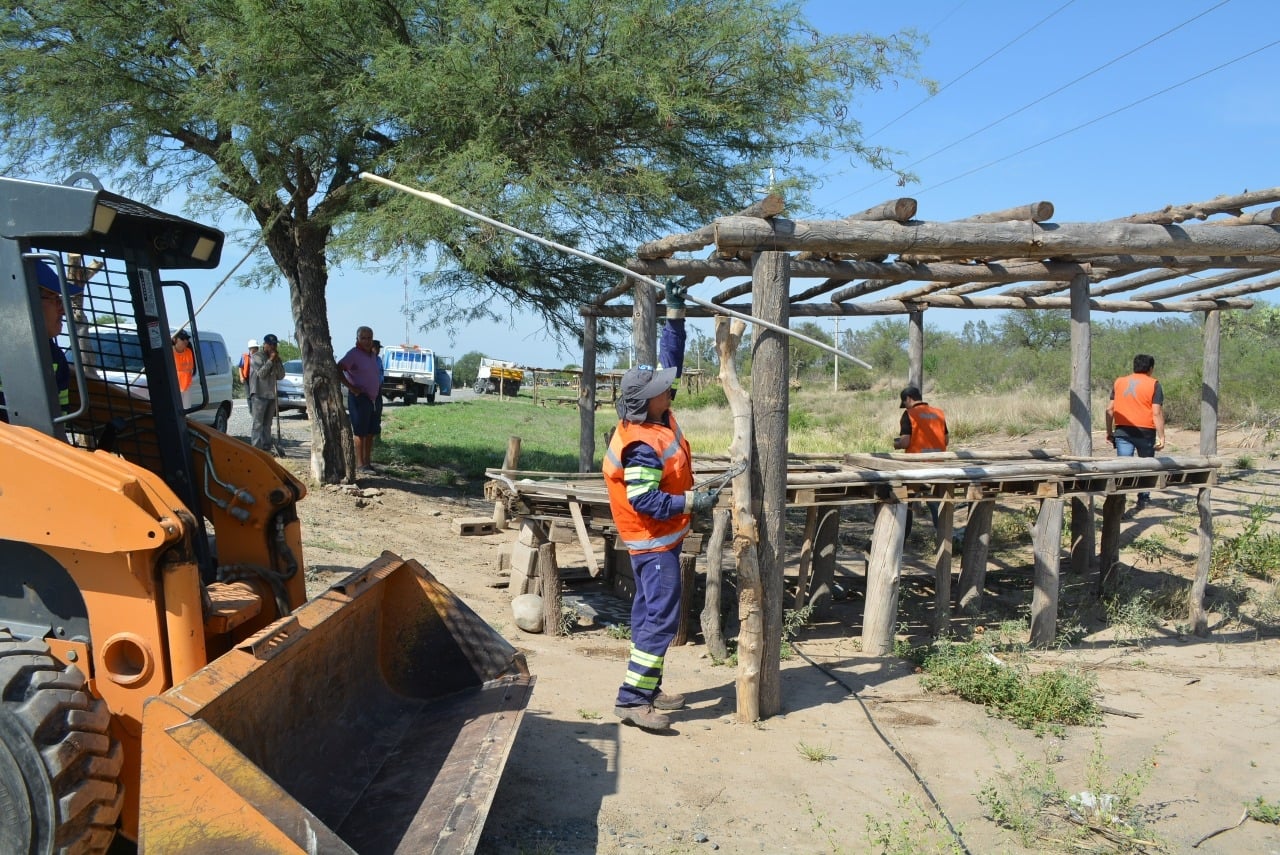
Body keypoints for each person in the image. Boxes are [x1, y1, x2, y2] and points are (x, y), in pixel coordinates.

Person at [602, 284, 717, 732]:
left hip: (661, 540)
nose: (669, 388)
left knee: (648, 614)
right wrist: (693, 500)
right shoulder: (640, 447)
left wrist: (675, 315)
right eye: (660, 390)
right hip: (651, 542)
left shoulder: (657, 415)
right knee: (661, 617)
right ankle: (632, 700)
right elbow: (645, 500)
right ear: (646, 401)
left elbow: (670, 362)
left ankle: (647, 688)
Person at [1, 260, 83, 422]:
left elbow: (58, 422)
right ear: (24, 300)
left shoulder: (54, 357)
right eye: (55, 299)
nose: (63, 310)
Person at [1106, 354, 1165, 514]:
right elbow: (1156, 413)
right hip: (1145, 432)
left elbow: (1109, 409)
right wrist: (1162, 436)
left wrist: (1109, 432)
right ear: (1150, 368)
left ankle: (1120, 499)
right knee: (1147, 466)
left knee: (1123, 468)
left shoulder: (1119, 382)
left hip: (1122, 431)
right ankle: (1143, 499)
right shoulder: (1154, 384)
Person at [893, 385, 949, 535]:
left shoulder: (909, 414)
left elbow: (905, 442)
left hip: (915, 467)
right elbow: (946, 440)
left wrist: (896, 444)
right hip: (938, 466)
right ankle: (945, 536)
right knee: (935, 502)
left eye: (904, 403)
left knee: (906, 501)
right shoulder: (938, 413)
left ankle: (903, 535)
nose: (905, 406)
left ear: (908, 399)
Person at [337, 325, 381, 473]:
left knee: (371, 432)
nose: (367, 341)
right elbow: (339, 368)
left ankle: (367, 463)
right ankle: (360, 464)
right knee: (360, 432)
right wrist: (351, 387)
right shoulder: (353, 354)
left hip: (373, 398)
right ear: (357, 339)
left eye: (369, 338)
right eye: (363, 338)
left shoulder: (372, 355)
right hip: (359, 397)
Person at [247, 333, 285, 452]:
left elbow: (281, 375)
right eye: (271, 345)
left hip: (271, 394)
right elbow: (261, 374)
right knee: (258, 424)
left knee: (267, 424)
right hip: (259, 394)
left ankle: (266, 448)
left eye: (275, 345)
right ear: (265, 345)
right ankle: (256, 449)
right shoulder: (257, 357)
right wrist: (270, 360)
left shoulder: (275, 358)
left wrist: (277, 362)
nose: (274, 347)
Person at [172, 330, 195, 407]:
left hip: (187, 387)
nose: (185, 341)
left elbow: (191, 370)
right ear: (174, 340)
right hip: (174, 388)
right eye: (182, 339)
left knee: (186, 411)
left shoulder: (189, 352)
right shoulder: (169, 353)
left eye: (187, 339)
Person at [370, 339, 385, 446]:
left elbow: (381, 373)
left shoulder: (379, 360)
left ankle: (377, 438)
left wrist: (380, 383)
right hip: (368, 390)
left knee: (378, 411)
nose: (379, 350)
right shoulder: (366, 359)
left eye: (379, 348)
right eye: (377, 348)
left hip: (378, 389)